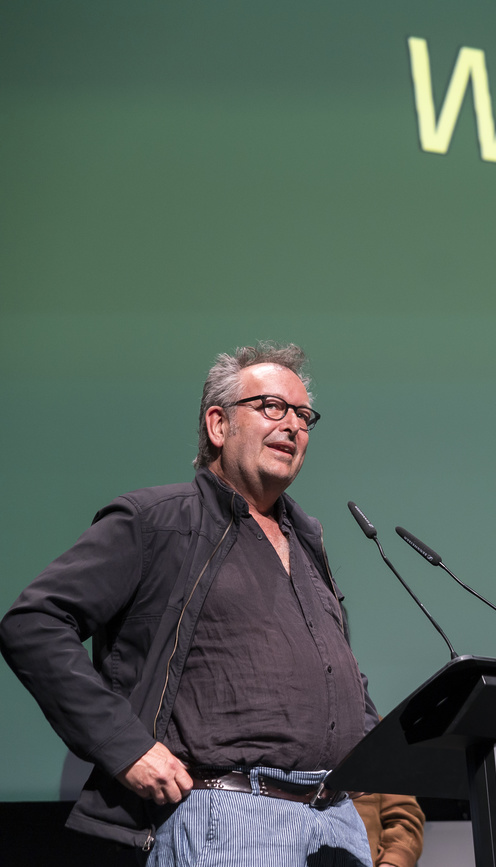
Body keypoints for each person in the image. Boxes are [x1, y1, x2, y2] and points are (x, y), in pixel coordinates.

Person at [0, 342, 380, 864]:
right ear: (218, 425)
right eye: (272, 407)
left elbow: (336, 674)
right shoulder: (157, 521)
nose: (293, 425)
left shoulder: (309, 540)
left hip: (337, 825)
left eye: (303, 415)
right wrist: (124, 745)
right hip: (231, 817)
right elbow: (34, 623)